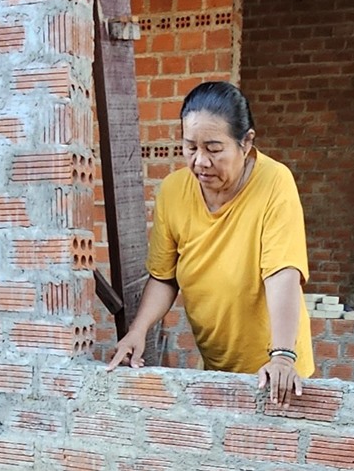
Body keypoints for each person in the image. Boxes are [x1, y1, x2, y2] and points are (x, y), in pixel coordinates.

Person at [106, 81, 315, 407]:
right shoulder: (174, 191)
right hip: (217, 365)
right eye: (190, 147)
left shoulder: (274, 183)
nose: (200, 161)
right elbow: (164, 276)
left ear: (246, 143)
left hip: (275, 369)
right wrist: (138, 330)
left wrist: (284, 356)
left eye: (214, 149)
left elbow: (282, 272)